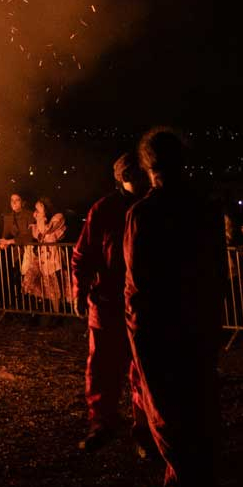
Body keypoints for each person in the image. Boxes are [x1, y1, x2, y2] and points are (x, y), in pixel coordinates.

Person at [123, 127, 227, 487]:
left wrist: (137, 328)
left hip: (160, 326)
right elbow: (217, 271)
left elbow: (138, 282)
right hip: (198, 320)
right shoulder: (205, 209)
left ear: (148, 166)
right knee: (199, 403)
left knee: (167, 408)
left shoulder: (143, 214)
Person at [71, 153, 148, 451]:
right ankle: (102, 422)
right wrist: (79, 290)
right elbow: (83, 253)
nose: (136, 178)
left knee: (143, 367)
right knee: (102, 366)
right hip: (107, 300)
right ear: (122, 178)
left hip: (142, 302)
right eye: (131, 174)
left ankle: (145, 428)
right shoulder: (104, 209)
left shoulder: (151, 206)